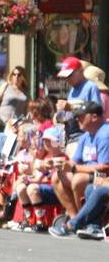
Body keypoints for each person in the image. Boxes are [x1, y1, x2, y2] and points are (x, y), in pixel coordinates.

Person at [49, 102, 109, 237]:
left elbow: (105, 167)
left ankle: (77, 224)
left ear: (94, 117)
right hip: (92, 175)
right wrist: (59, 164)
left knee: (78, 179)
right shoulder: (85, 136)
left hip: (101, 175)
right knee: (57, 176)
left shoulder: (105, 134)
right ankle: (76, 218)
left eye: (81, 116)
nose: (77, 120)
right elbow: (73, 162)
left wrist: (75, 168)